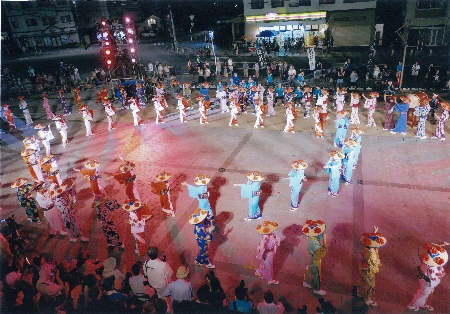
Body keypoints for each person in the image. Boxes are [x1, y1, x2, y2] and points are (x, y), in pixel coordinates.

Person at [407, 242, 448, 312]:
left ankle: (424, 304)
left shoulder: (426, 262)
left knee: (427, 293)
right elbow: (435, 276)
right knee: (423, 294)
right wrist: (441, 273)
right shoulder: (431, 268)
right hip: (428, 282)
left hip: (427, 281)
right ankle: (413, 305)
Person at [358, 226, 387, 307]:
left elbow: (371, 241)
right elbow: (373, 264)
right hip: (369, 270)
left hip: (363, 268)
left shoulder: (366, 248)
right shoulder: (372, 255)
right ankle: (368, 299)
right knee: (370, 284)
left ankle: (360, 292)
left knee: (362, 280)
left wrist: (374, 232)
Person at [302, 219, 327, 295]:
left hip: (311, 257)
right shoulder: (314, 242)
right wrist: (325, 239)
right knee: (317, 273)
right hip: (315, 259)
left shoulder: (312, 238)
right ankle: (317, 289)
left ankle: (305, 282)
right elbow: (322, 251)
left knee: (309, 269)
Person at [254, 221, 281, 285]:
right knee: (269, 267)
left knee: (264, 264)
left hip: (270, 253)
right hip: (267, 255)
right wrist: (263, 240)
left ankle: (259, 272)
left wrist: (274, 238)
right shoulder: (264, 238)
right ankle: (270, 280)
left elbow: (277, 240)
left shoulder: (272, 234)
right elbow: (261, 248)